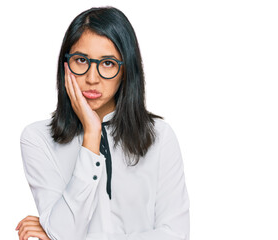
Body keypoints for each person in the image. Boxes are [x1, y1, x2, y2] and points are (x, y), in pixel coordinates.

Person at [15, 6, 190, 240]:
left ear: (126, 70)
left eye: (107, 63)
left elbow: (176, 235)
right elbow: (63, 233)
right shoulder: (37, 139)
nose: (92, 78)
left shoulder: (159, 136)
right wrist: (91, 134)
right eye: (81, 60)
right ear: (65, 65)